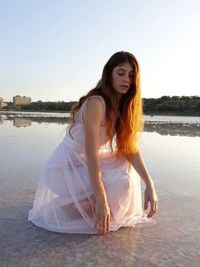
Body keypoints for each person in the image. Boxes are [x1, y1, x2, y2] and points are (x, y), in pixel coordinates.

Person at [28, 51, 158, 235]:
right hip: (62, 170)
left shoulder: (121, 108)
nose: (126, 80)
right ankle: (82, 208)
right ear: (109, 74)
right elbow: (91, 153)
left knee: (124, 168)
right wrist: (102, 198)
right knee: (118, 182)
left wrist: (150, 185)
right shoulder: (96, 103)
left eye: (131, 75)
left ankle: (79, 207)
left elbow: (130, 150)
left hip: (81, 165)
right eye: (121, 73)